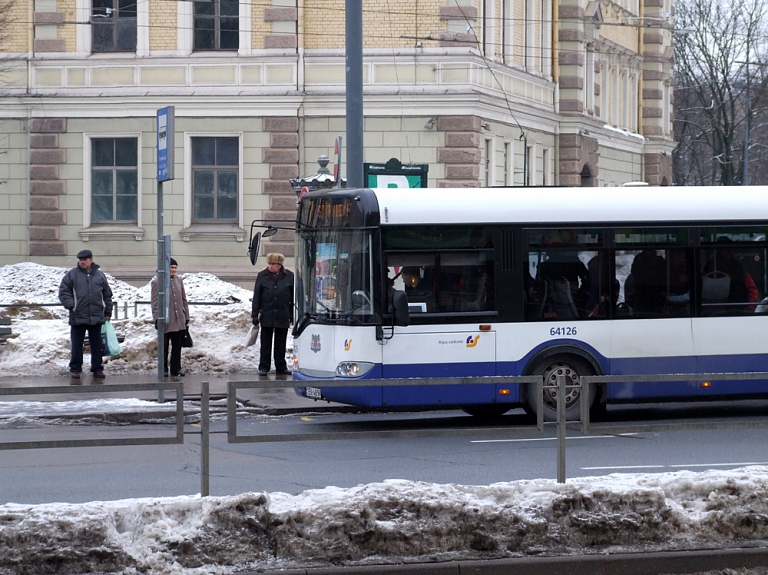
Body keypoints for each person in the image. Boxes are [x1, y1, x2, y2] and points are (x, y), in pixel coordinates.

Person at [58, 249, 113, 382]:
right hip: (78, 317)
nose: (82, 262)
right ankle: (75, 368)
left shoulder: (100, 275)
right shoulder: (72, 275)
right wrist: (72, 306)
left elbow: (107, 294)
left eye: (85, 260)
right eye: (81, 260)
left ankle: (97, 367)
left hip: (96, 316)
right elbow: (63, 292)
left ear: (91, 260)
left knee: (96, 344)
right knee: (77, 344)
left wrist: (108, 311)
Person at [252, 252, 294, 376]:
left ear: (280, 265)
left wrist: (292, 315)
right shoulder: (262, 276)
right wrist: (254, 314)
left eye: (274, 264)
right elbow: (257, 296)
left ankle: (281, 366)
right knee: (265, 343)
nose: (271, 266)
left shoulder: (289, 276)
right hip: (267, 313)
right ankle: (264, 366)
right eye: (269, 264)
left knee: (280, 344)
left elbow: (293, 297)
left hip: (282, 313)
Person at [151, 258, 190, 377]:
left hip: (179, 319)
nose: (173, 270)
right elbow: (155, 302)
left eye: (175, 268)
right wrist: (157, 318)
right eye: (171, 267)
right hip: (166, 320)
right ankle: (163, 369)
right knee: (164, 347)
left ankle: (175, 369)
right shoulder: (158, 282)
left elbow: (184, 299)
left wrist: (186, 316)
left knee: (177, 346)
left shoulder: (179, 280)